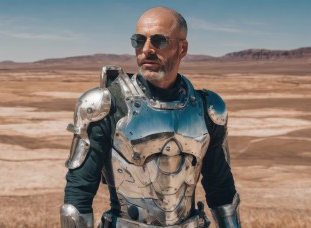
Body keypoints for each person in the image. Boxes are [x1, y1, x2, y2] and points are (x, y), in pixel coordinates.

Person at [60, 6, 241, 228]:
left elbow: (221, 188)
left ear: (182, 48)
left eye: (158, 40)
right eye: (138, 41)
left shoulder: (208, 108)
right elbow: (78, 196)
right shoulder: (105, 105)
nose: (146, 49)